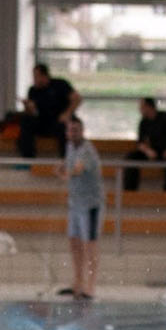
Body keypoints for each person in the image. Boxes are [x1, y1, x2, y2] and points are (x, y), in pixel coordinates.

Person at [57, 115, 103, 300]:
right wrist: (61, 169)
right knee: (74, 243)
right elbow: (68, 165)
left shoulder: (87, 150)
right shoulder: (70, 147)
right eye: (70, 130)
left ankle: (90, 286)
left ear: (82, 131)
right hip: (74, 204)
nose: (72, 133)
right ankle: (78, 281)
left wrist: (66, 174)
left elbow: (78, 168)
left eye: (76, 130)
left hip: (90, 205)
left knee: (89, 245)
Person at [17, 63, 80, 159]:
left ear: (44, 76)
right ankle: (28, 158)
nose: (34, 79)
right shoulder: (33, 90)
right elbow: (33, 113)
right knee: (26, 121)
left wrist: (67, 113)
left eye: (36, 76)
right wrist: (29, 107)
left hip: (59, 121)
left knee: (66, 126)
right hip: (43, 123)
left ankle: (67, 159)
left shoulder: (60, 84)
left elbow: (77, 99)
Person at [123, 96, 166, 193]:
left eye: (142, 106)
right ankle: (130, 191)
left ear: (149, 107)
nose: (140, 109)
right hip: (152, 151)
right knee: (131, 157)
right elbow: (140, 143)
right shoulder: (143, 122)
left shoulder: (165, 117)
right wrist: (147, 151)